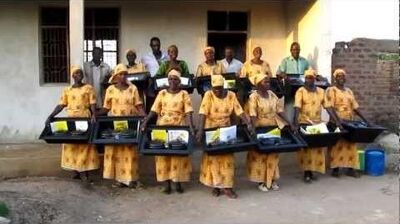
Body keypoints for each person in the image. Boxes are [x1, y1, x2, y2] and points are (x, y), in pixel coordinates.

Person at [196, 75, 254, 199]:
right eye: (215, 88)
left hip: (226, 128)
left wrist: (248, 123)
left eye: (220, 88)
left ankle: (227, 188)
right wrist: (200, 130)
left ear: (224, 86)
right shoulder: (208, 95)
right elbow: (202, 113)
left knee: (227, 159)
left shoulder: (231, 95)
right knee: (214, 159)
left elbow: (239, 111)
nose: (217, 91)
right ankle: (216, 186)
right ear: (212, 88)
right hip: (211, 128)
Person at [141, 68, 195, 194]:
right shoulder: (162, 93)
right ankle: (167, 184)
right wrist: (145, 121)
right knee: (163, 153)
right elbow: (154, 110)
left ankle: (178, 182)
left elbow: (188, 112)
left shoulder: (184, 94)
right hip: (163, 126)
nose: (172, 81)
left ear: (179, 82)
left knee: (178, 153)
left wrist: (191, 127)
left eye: (175, 79)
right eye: (170, 79)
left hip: (179, 126)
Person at [46, 66, 99, 181]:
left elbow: (93, 103)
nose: (79, 75)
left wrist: (94, 114)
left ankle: (85, 172)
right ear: (73, 76)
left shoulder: (88, 88)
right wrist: (51, 115)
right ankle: (75, 171)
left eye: (80, 73)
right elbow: (61, 105)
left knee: (84, 145)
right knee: (72, 144)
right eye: (76, 73)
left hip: (84, 118)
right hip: (71, 119)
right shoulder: (67, 90)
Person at [97, 64, 146, 188]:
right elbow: (106, 108)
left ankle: (131, 179)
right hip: (115, 126)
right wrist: (95, 115)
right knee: (117, 151)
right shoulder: (110, 90)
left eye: (125, 74)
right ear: (116, 76)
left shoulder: (133, 88)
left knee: (129, 151)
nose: (123, 76)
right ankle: (119, 179)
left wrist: (145, 118)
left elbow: (139, 106)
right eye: (120, 74)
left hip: (130, 125)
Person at [246, 73, 295, 191]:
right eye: (265, 82)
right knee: (261, 154)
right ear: (258, 84)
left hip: (273, 126)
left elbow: (280, 110)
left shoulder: (272, 94)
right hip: (260, 127)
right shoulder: (254, 97)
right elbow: (252, 114)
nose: (268, 84)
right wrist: (253, 129)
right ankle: (262, 181)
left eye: (268, 82)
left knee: (273, 153)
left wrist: (290, 123)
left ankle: (272, 179)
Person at [293, 69, 341, 183]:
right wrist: (295, 124)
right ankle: (307, 173)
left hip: (317, 123)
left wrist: (337, 121)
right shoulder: (300, 91)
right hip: (304, 122)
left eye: (310, 78)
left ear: (314, 79)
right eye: (307, 78)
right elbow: (297, 108)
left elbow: (328, 107)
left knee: (317, 148)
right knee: (307, 149)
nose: (308, 80)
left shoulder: (321, 91)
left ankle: (313, 170)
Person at [325, 69, 368, 178]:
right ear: (335, 79)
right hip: (337, 121)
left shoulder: (349, 91)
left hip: (350, 121)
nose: (341, 78)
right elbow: (329, 107)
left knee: (351, 144)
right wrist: (337, 121)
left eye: (343, 76)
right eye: (339, 76)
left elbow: (355, 107)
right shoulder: (331, 90)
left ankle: (351, 169)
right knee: (337, 145)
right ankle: (335, 169)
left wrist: (366, 120)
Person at [141, 37, 169, 112]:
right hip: (151, 85)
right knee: (151, 106)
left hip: (164, 83)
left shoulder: (166, 56)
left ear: (160, 45)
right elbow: (143, 71)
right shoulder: (145, 57)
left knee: (164, 105)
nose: (156, 47)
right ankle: (151, 123)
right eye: (154, 46)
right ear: (150, 46)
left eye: (158, 45)